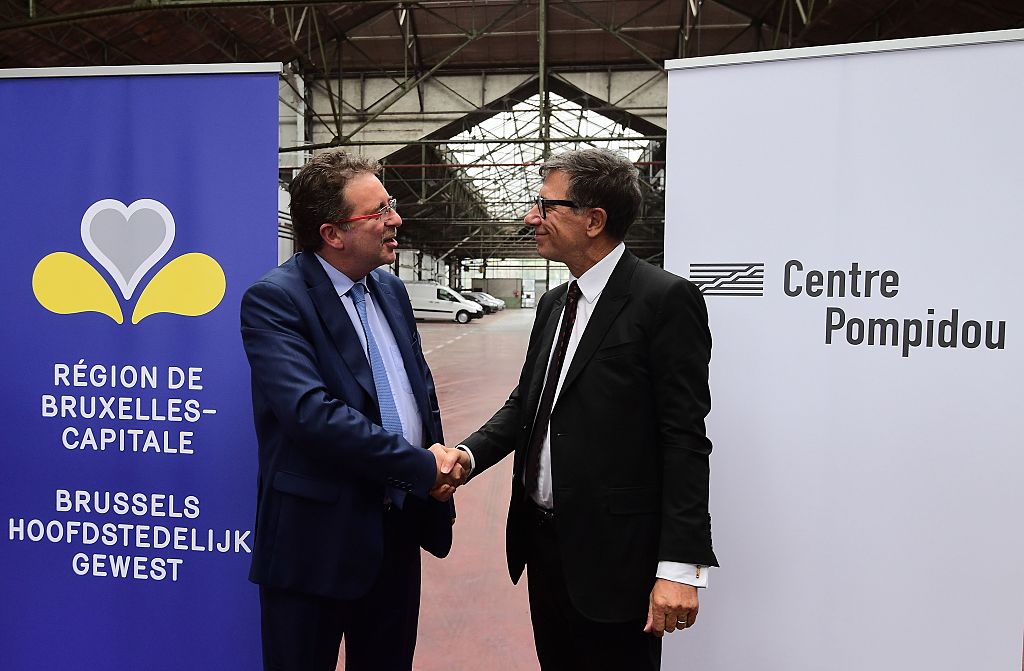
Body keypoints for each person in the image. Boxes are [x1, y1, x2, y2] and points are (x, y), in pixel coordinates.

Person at [455, 148, 717, 670]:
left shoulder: (663, 301)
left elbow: (684, 438)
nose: (531, 216)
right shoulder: (555, 304)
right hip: (545, 547)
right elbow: (528, 405)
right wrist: (467, 456)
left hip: (617, 558)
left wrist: (680, 566)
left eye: (545, 205)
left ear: (593, 220)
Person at [240, 150, 466, 671]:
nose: (396, 219)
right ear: (333, 233)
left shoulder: (388, 288)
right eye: (379, 210)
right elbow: (311, 414)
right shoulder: (276, 300)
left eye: (390, 203)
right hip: (313, 546)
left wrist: (437, 464)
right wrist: (419, 468)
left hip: (396, 531)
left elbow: (418, 391)